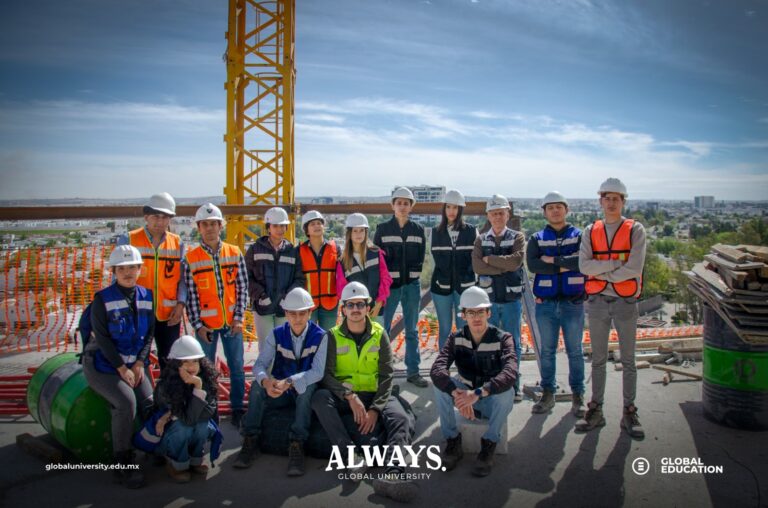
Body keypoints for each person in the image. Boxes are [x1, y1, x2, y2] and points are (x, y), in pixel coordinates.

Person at [311, 282, 418, 503]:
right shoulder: (332, 336)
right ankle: (351, 455)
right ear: (343, 309)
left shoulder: (380, 334)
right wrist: (349, 397)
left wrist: (376, 409)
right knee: (319, 398)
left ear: (368, 307)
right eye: (350, 305)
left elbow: (387, 375)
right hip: (346, 395)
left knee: (400, 418)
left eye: (360, 304)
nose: (356, 309)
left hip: (375, 392)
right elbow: (326, 375)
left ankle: (393, 473)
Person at [577, 178, 647, 439]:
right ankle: (596, 409)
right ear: (600, 201)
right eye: (607, 198)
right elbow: (584, 266)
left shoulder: (635, 230)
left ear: (623, 201)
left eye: (616, 198)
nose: (611, 202)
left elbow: (635, 268)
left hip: (625, 303)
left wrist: (602, 269)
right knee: (597, 360)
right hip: (597, 303)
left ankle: (629, 411)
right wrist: (617, 263)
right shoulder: (590, 230)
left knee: (628, 360)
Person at [233, 287, 327, 475]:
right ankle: (251, 439)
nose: (297, 318)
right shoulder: (276, 334)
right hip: (281, 392)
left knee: (306, 389)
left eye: (302, 313)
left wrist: (289, 382)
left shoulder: (322, 336)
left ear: (310, 312)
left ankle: (297, 443)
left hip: (302, 391)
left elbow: (318, 372)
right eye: (292, 314)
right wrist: (266, 382)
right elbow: (259, 365)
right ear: (285, 313)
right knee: (257, 388)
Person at [82, 245, 154, 489]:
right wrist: (122, 369)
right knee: (126, 404)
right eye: (122, 268)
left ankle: (152, 446)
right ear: (113, 270)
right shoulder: (102, 299)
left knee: (149, 401)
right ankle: (122, 464)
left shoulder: (147, 296)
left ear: (139, 269)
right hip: (103, 365)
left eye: (132, 267)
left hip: (135, 363)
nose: (127, 272)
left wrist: (141, 363)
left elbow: (149, 334)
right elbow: (101, 339)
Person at [430, 286, 517, 477]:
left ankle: (489, 444)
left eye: (480, 312)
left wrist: (476, 394)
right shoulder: (456, 339)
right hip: (466, 399)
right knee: (440, 387)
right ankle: (453, 441)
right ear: (463, 315)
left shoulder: (503, 339)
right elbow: (437, 369)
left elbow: (511, 373)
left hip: (491, 403)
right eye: (471, 312)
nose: (476, 317)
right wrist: (457, 393)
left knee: (507, 392)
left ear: (488, 313)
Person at [183, 203, 248, 427]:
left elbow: (242, 289)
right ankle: (210, 410)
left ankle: (238, 408)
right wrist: (198, 325)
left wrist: (239, 318)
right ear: (199, 228)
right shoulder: (191, 259)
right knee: (206, 370)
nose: (210, 228)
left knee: (237, 367)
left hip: (232, 323)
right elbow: (192, 297)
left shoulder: (234, 252)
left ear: (221, 226)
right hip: (206, 327)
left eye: (213, 224)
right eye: (205, 224)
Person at [527, 191, 586, 417]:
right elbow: (533, 265)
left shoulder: (580, 236)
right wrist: (566, 264)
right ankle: (548, 394)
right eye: (550, 208)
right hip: (546, 305)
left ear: (566, 210)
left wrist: (552, 261)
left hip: (573, 303)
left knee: (575, 351)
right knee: (548, 351)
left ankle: (578, 396)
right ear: (544, 212)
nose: (555, 211)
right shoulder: (537, 238)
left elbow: (582, 262)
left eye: (558, 207)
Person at [120, 192, 187, 371]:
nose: (160, 222)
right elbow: (117, 279)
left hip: (169, 315)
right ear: (146, 217)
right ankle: (144, 397)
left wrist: (180, 305)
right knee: (137, 362)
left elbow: (182, 280)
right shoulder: (130, 240)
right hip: (138, 313)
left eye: (165, 217)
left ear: (170, 219)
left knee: (170, 362)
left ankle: (168, 397)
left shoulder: (177, 243)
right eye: (155, 216)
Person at [471, 194, 526, 401]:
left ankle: (513, 386)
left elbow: (516, 262)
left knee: (513, 346)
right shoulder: (481, 239)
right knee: (489, 345)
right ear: (488, 215)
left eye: (500, 213)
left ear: (507, 214)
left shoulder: (517, 237)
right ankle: (492, 387)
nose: (497, 217)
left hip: (511, 300)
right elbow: (477, 266)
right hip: (489, 301)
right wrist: (502, 265)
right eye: (493, 213)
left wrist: (490, 260)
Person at [374, 187, 427, 388]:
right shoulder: (382, 229)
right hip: (391, 287)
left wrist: (412, 276)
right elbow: (379, 260)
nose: (403, 206)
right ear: (392, 205)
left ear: (411, 206)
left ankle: (413, 372)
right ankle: (384, 374)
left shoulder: (418, 230)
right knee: (384, 330)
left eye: (406, 203)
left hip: (412, 286)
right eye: (399, 203)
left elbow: (421, 257)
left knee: (412, 330)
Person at [153, 335, 219, 483]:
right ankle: (176, 464)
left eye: (195, 361)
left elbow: (206, 414)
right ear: (176, 364)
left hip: (190, 426)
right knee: (183, 427)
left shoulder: (207, 381)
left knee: (203, 425)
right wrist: (198, 388)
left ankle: (195, 461)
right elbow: (186, 420)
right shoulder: (165, 386)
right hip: (167, 439)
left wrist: (198, 386)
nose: (191, 366)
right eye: (185, 362)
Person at [245, 206, 306, 343]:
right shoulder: (254, 250)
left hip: (283, 308)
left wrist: (288, 297)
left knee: (284, 348)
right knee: (266, 348)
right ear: (268, 227)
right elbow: (246, 277)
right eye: (276, 226)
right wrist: (260, 295)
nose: (280, 229)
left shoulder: (292, 251)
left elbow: (299, 279)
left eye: (283, 226)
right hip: (262, 308)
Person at [430, 189, 477, 349]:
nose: (451, 211)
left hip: (465, 288)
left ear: (461, 210)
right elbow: (435, 261)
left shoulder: (471, 231)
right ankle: (443, 367)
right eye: (448, 207)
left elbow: (475, 259)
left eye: (455, 207)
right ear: (444, 209)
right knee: (444, 329)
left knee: (465, 328)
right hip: (441, 288)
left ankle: (465, 367)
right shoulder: (436, 232)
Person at [336, 213, 392, 325]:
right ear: (349, 233)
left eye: (362, 230)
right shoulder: (342, 262)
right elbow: (341, 289)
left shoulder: (376, 253)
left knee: (377, 342)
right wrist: (357, 309)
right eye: (355, 231)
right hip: (354, 314)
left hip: (376, 311)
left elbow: (386, 279)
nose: (359, 234)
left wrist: (379, 303)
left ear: (366, 232)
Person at [298, 210, 339, 331]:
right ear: (306, 230)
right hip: (307, 305)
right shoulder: (299, 251)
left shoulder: (335, 249)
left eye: (319, 223)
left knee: (328, 338)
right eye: (312, 224)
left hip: (330, 304)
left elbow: (341, 276)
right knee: (308, 339)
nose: (317, 226)